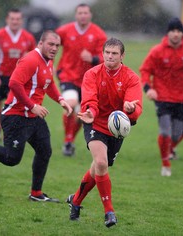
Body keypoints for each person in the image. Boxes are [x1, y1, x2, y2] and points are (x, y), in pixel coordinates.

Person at [0, 31, 72, 202]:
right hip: (16, 116)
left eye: (57, 45)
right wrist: (33, 106)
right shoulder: (31, 60)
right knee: (11, 159)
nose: (54, 48)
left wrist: (61, 100)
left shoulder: (49, 61)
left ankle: (36, 193)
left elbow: (49, 83)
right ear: (40, 43)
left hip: (33, 117)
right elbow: (14, 84)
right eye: (51, 44)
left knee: (45, 151)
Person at [66, 38, 142, 227]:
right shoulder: (92, 74)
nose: (110, 56)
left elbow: (136, 105)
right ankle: (109, 212)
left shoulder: (131, 78)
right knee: (101, 162)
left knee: (98, 167)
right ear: (102, 53)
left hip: (116, 128)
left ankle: (75, 201)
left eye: (114, 53)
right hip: (95, 123)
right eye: (107, 52)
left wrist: (131, 109)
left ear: (122, 56)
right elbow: (89, 99)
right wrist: (91, 111)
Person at [140, 17, 183, 176]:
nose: (175, 34)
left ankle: (167, 150)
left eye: (178, 31)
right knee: (165, 132)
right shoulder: (157, 51)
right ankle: (165, 164)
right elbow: (145, 70)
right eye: (172, 31)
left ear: (182, 33)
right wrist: (148, 88)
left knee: (176, 134)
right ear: (167, 33)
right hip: (162, 98)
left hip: (182, 99)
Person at [56, 3, 107, 156]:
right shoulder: (65, 31)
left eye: (85, 13)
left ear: (90, 15)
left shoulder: (98, 34)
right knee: (70, 106)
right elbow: (50, 44)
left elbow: (106, 57)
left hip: (89, 80)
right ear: (76, 15)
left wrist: (93, 58)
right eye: (80, 13)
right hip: (68, 75)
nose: (83, 15)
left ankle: (69, 141)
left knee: (83, 114)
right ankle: (68, 140)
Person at [0, 8, 36, 140]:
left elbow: (35, 56)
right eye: (12, 19)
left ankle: (12, 134)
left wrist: (28, 60)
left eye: (18, 19)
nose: (15, 21)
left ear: (21, 21)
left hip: (17, 79)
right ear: (7, 20)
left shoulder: (28, 38)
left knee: (14, 107)